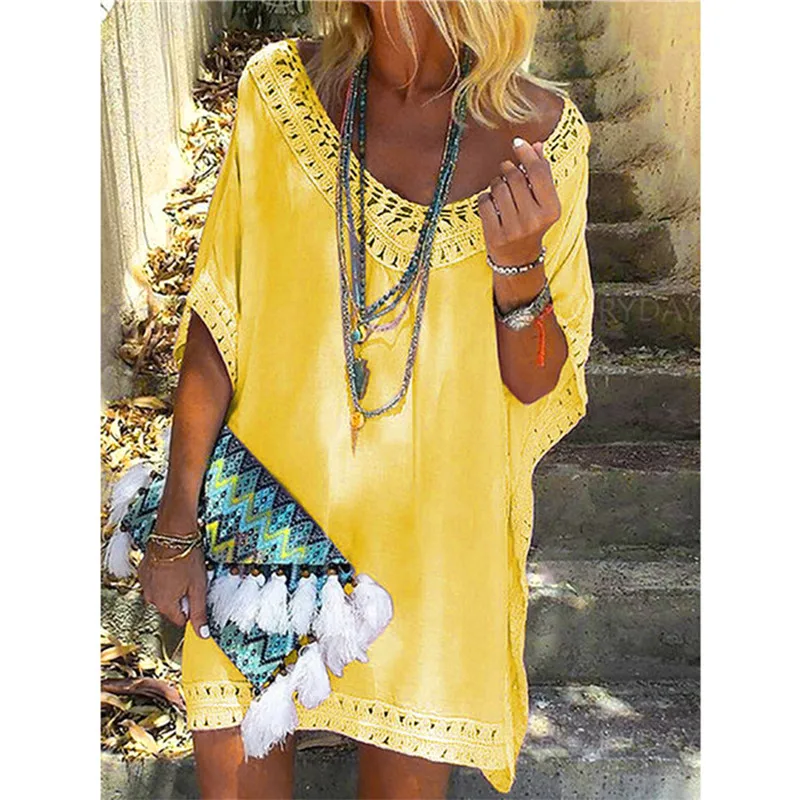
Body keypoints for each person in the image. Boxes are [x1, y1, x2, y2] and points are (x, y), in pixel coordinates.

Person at [137, 1, 593, 797]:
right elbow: (217, 319)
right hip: (263, 527)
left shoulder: (544, 138)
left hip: (431, 550)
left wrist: (518, 261)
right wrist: (177, 524)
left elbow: (538, 379)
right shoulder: (279, 91)